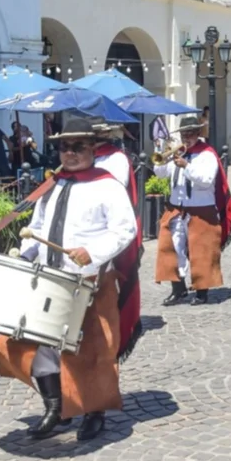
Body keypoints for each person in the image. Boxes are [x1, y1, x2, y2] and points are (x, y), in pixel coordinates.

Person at [0, 117, 137, 441]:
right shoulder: (51, 184)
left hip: (89, 280)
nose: (69, 153)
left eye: (77, 147)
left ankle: (93, 412)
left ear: (92, 148)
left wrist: (94, 252)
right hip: (50, 279)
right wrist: (26, 253)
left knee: (92, 350)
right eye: (63, 147)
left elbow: (125, 230)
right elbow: (38, 226)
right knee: (32, 344)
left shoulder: (107, 185)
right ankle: (55, 407)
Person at [155, 116, 231, 306]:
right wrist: (161, 155)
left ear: (199, 134)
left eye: (191, 133)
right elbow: (161, 173)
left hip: (201, 209)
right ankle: (178, 289)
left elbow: (206, 180)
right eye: (184, 134)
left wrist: (187, 166)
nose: (187, 137)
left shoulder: (207, 154)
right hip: (176, 208)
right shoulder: (178, 153)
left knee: (201, 251)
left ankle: (202, 291)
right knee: (171, 249)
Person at [91, 122, 144, 359]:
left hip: (107, 230)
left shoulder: (116, 158)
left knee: (108, 287)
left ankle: (118, 329)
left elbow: (116, 188)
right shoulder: (85, 158)